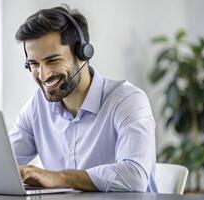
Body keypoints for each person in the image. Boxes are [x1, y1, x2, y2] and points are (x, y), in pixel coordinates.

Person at [9, 5, 157, 192]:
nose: (43, 74)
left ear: (83, 54)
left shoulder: (128, 101)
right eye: (34, 64)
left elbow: (135, 177)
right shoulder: (37, 106)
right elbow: (2, 164)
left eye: (52, 60)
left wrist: (59, 177)